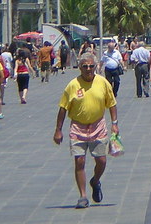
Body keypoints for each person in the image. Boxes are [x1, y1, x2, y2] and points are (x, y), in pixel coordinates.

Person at [53, 52, 119, 209]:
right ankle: (83, 196)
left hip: (98, 126)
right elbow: (63, 108)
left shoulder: (103, 83)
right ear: (80, 68)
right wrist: (58, 130)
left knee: (101, 161)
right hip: (78, 127)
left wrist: (115, 123)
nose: (88, 69)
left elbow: (112, 104)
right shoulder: (72, 85)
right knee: (79, 161)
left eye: (91, 66)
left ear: (95, 66)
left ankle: (95, 181)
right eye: (85, 66)